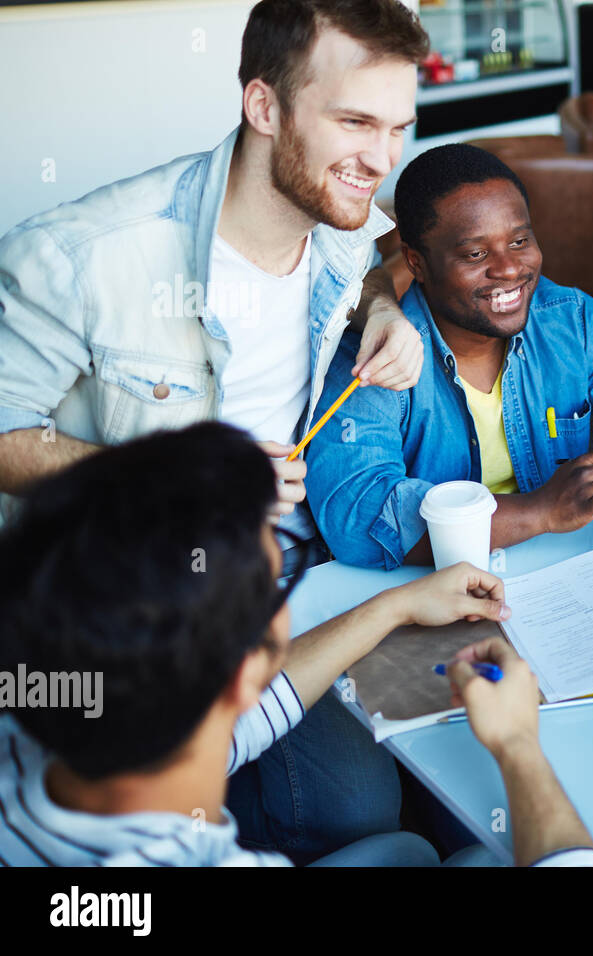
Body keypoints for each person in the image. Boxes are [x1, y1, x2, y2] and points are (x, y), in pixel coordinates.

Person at [0, 0, 431, 862]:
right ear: (264, 107)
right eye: (354, 122)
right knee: (358, 825)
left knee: (371, 807)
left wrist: (386, 312)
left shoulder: (340, 210)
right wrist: (189, 492)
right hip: (145, 611)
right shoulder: (80, 256)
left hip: (286, 572)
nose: (380, 161)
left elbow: (377, 252)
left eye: (397, 128)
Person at [0, 422, 584, 866]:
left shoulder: (43, 726)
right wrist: (516, 746)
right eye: (276, 578)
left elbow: (222, 721)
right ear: (245, 666)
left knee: (406, 851)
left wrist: (396, 605)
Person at [305, 144, 593, 568]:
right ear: (417, 262)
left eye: (520, 240)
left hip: (567, 569)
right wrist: (541, 510)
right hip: (433, 592)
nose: (509, 269)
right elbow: (358, 514)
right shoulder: (373, 357)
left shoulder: (569, 321)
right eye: (475, 254)